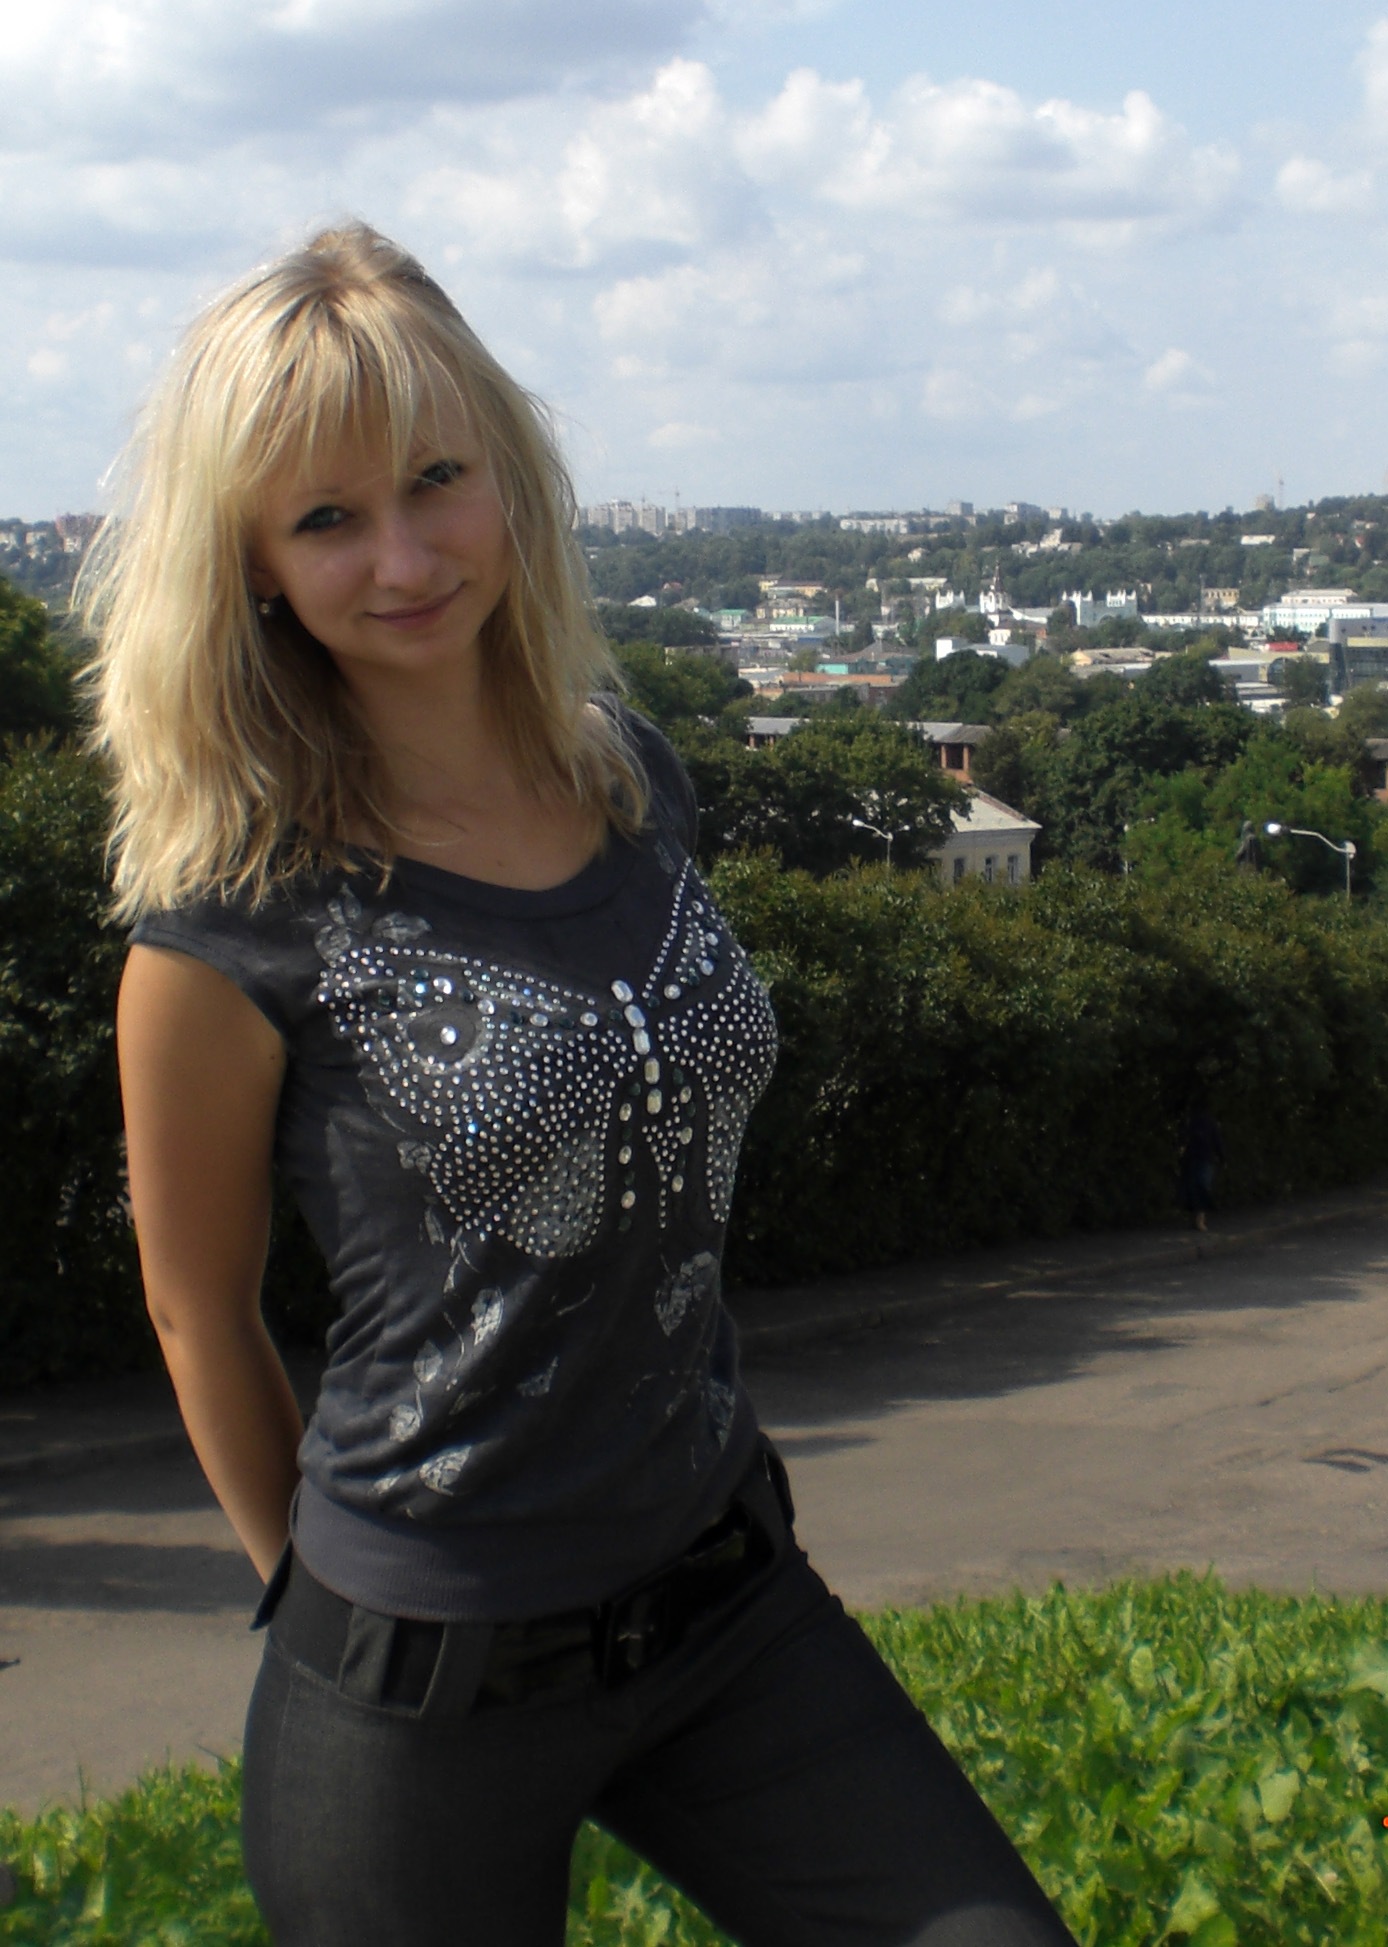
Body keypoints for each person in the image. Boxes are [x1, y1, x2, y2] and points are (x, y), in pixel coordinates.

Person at [87, 223, 1076, 1947]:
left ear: (507, 473)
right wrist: (323, 1603)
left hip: (727, 1604)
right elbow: (197, 1310)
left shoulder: (632, 780)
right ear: (247, 564)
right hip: (421, 1689)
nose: (405, 557)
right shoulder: (231, 920)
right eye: (326, 519)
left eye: (436, 480)